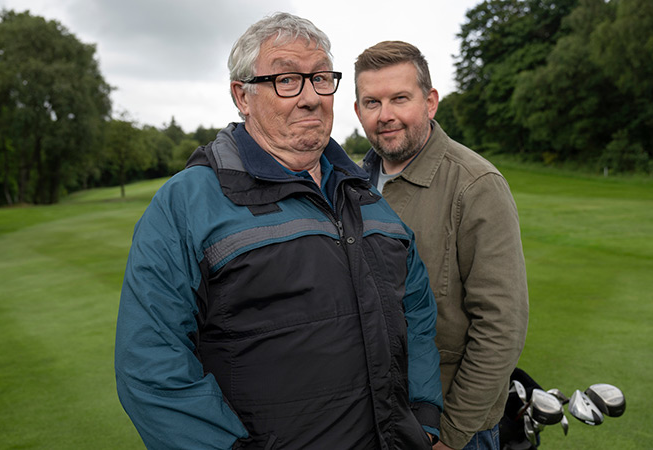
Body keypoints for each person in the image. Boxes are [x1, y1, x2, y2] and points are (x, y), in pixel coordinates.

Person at [114, 15, 443, 450]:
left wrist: (423, 418)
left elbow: (417, 315)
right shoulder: (187, 203)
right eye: (287, 79)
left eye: (322, 78)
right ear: (242, 96)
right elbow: (150, 364)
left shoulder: (366, 196)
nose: (310, 98)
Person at [354, 41, 529, 450]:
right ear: (358, 110)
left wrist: (450, 436)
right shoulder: (350, 184)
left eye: (400, 98)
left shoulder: (476, 185)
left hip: (450, 429)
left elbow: (501, 326)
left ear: (430, 102)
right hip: (370, 419)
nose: (386, 115)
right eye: (371, 102)